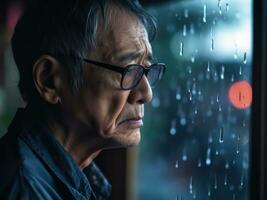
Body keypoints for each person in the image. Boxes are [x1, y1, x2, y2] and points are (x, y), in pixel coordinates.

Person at [0, 0, 166, 199]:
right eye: (129, 70)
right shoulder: (25, 189)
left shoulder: (73, 178)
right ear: (50, 80)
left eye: (146, 70)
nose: (146, 94)